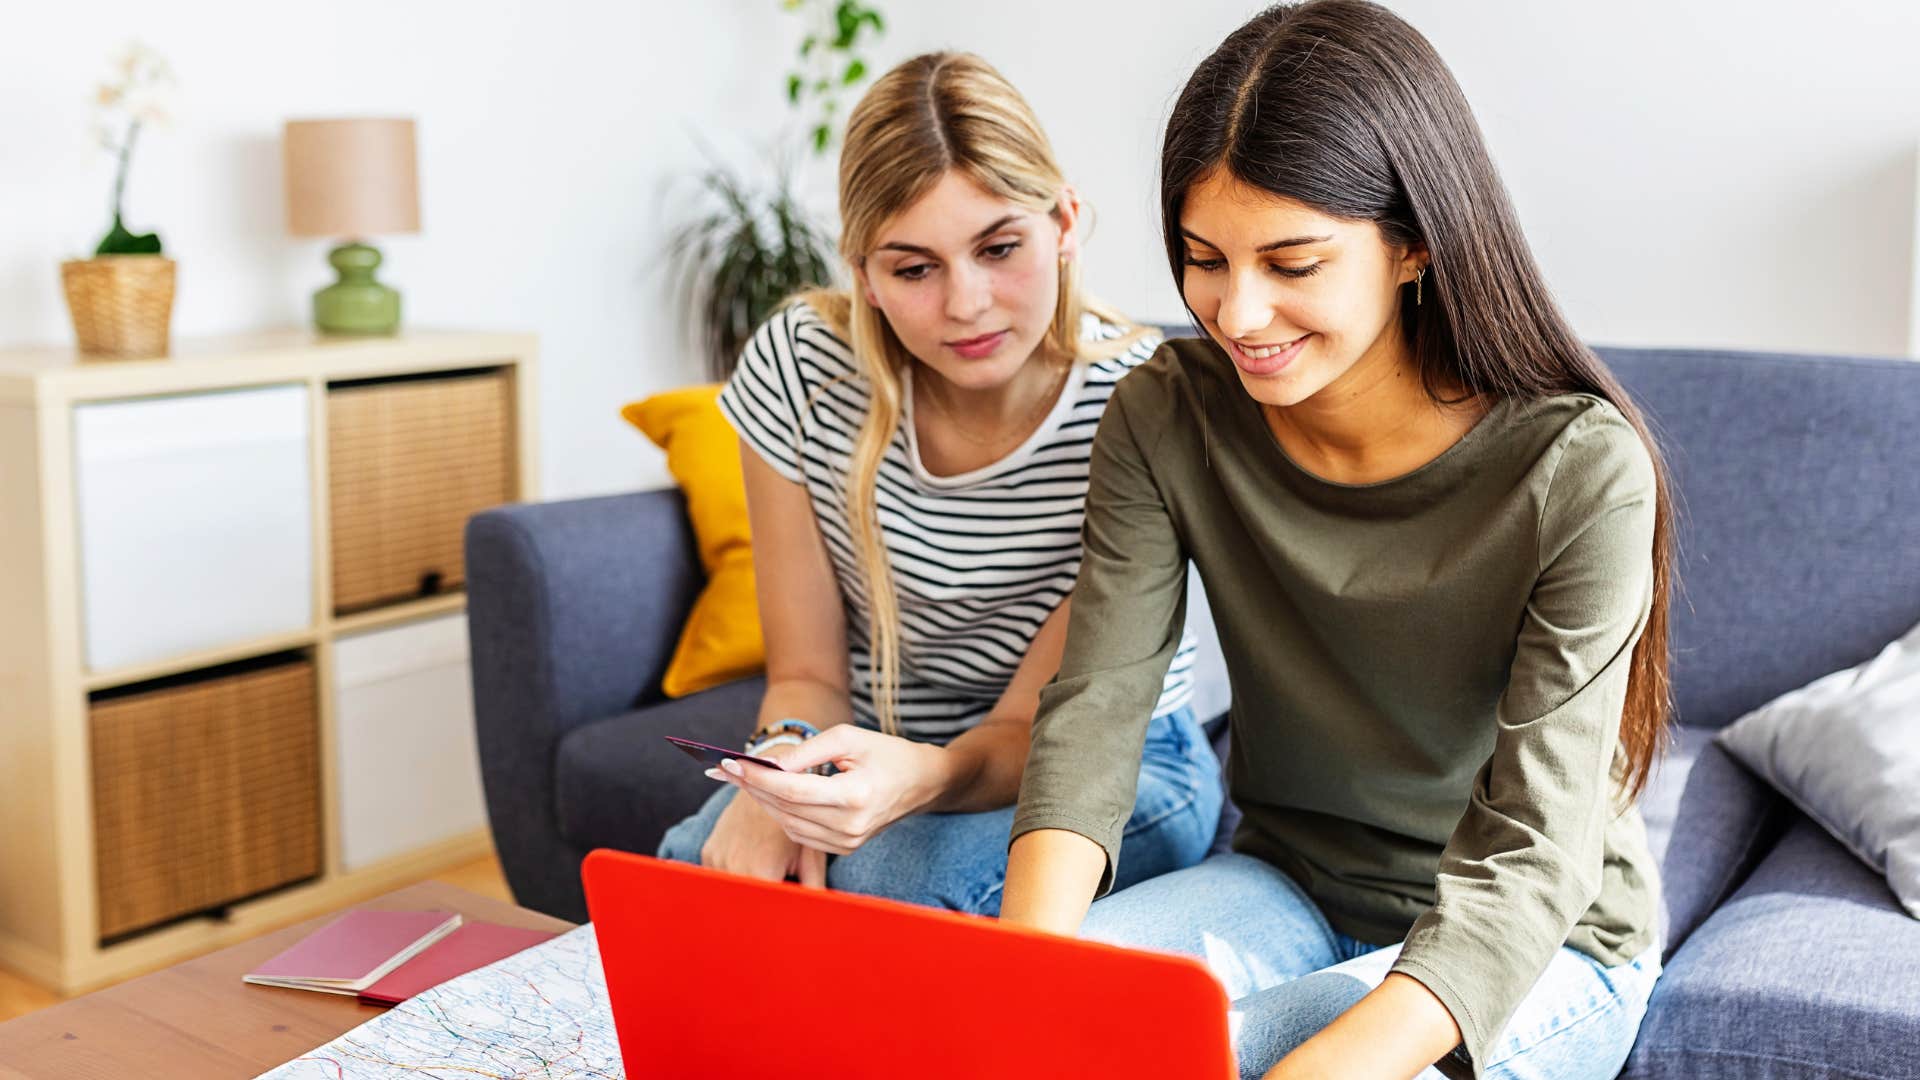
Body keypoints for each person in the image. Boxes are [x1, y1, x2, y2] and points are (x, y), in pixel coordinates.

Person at [999, 4, 1675, 1078]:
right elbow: (1096, 714)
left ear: (1412, 244)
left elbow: (1533, 860)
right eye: (1204, 257)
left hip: (1537, 946)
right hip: (1287, 884)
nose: (1238, 312)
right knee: (1046, 1034)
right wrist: (1018, 987)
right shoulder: (1168, 415)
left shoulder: (1580, 469)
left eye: (1293, 263)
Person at [657, 52, 1223, 916]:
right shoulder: (801, 368)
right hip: (888, 743)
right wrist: (782, 773)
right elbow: (805, 672)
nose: (966, 303)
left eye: (1000, 248)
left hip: (1110, 765)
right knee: (702, 861)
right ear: (864, 273)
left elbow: (1027, 733)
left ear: (1065, 221)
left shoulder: (1146, 404)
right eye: (913, 268)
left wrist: (903, 781)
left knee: (893, 886)